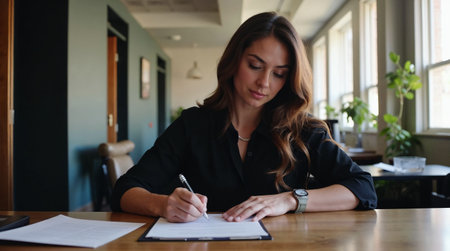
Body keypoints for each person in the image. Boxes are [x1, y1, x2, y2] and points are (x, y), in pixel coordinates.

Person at [111, 12, 377, 223]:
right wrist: (163, 204)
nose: (264, 82)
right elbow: (125, 190)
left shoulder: (303, 130)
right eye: (255, 66)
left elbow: (362, 188)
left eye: (279, 73)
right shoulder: (192, 125)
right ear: (234, 61)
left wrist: (290, 200)